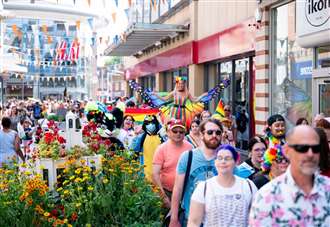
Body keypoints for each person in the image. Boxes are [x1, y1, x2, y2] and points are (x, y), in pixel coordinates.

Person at [249, 125, 330, 226]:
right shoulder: (267, 196)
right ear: (287, 151)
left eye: (316, 148)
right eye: (302, 148)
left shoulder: (327, 189)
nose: (310, 153)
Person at [170, 118, 223, 227]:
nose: (214, 135)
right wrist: (174, 218)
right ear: (202, 135)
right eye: (210, 132)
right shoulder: (188, 157)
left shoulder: (226, 159)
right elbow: (178, 189)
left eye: (218, 132)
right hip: (191, 219)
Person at [188, 144, 257, 227]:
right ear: (215, 162)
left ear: (236, 162)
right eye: (219, 158)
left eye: (227, 158)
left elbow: (257, 219)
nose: (223, 161)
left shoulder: (248, 186)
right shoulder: (204, 188)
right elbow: (193, 222)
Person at [152, 119, 192, 208]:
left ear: (184, 133)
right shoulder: (161, 149)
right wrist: (163, 197)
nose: (178, 134)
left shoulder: (190, 147)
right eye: (175, 131)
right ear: (169, 132)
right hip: (167, 192)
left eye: (181, 132)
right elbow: (155, 174)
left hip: (185, 191)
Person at [131, 115, 166, 181]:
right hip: (145, 172)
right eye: (147, 123)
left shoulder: (161, 137)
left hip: (161, 173)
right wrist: (135, 135)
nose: (150, 125)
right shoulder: (141, 137)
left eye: (152, 123)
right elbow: (133, 149)